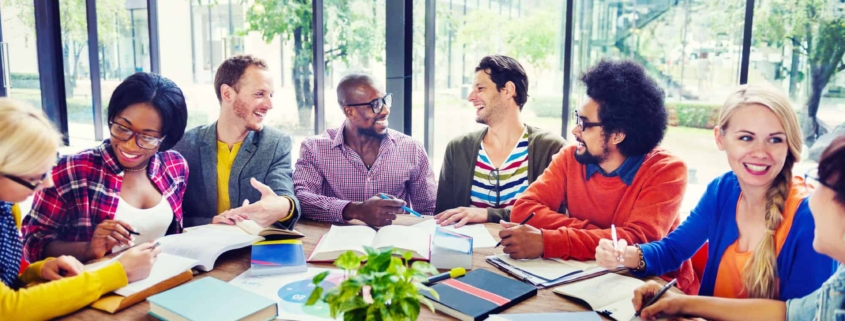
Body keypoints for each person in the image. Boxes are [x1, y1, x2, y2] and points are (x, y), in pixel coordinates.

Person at [595, 84, 836, 302]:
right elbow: (674, 250)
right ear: (720, 138)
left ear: (789, 144)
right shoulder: (722, 190)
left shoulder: (810, 215)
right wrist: (625, 255)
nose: (760, 152)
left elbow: (803, 313)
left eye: (774, 140)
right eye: (746, 138)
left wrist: (685, 305)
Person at [500, 59, 697, 293]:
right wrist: (599, 235)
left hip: (654, 286)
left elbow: (637, 242)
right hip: (585, 274)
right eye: (577, 118)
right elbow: (524, 209)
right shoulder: (570, 157)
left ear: (617, 135)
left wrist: (550, 241)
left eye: (584, 123)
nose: (575, 130)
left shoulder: (666, 170)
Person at [626, 134, 845, 321]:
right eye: (746, 138)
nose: (812, 196)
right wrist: (679, 303)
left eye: (820, 182)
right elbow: (787, 313)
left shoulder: (803, 216)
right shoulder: (839, 286)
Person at [0, 99, 160, 320]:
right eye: (34, 177)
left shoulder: (7, 205)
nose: (46, 184)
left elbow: (6, 280)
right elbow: (7, 309)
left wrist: (38, 270)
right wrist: (117, 273)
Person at [22, 72, 189, 263]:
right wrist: (88, 249)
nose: (130, 145)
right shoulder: (72, 169)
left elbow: (175, 235)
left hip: (165, 282)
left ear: (166, 138)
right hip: (97, 289)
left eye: (147, 137)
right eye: (122, 128)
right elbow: (32, 245)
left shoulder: (175, 166)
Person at [434, 55, 566, 227]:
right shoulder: (458, 148)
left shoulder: (550, 147)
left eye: (480, 88)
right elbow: (443, 217)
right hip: (468, 252)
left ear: (508, 90)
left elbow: (550, 216)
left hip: (527, 253)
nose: (471, 97)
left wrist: (488, 214)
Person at [173, 55, 300, 229]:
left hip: (251, 251)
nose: (269, 104)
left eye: (270, 95)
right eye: (259, 94)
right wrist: (209, 223)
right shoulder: (184, 145)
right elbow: (170, 217)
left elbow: (284, 195)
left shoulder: (276, 143)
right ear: (227, 94)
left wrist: (284, 206)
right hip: (199, 249)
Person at [293, 73, 437, 226]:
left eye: (385, 101)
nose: (385, 110)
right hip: (337, 242)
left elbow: (430, 210)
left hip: (394, 242)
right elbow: (301, 199)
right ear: (350, 112)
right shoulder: (314, 148)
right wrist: (356, 210)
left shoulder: (412, 149)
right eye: (375, 104)